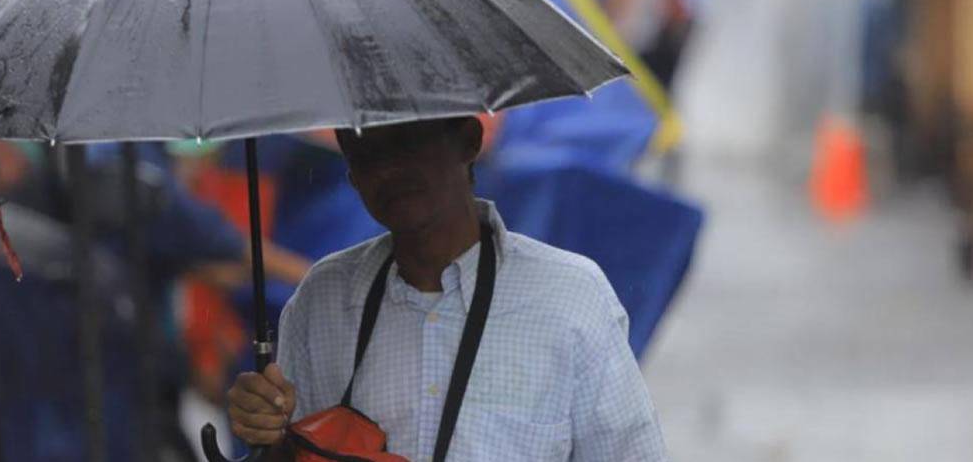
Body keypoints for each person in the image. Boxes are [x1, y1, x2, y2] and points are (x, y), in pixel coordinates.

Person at [226, 118, 667, 460]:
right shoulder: (323, 299)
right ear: (350, 169)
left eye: (407, 141)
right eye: (366, 150)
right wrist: (267, 433)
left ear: (469, 140)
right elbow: (297, 454)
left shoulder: (571, 296)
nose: (389, 168)